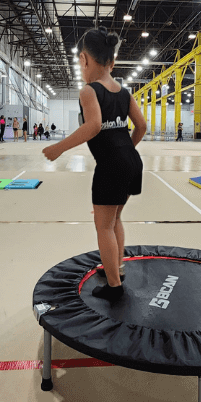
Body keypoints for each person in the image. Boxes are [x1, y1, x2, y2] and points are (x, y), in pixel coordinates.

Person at [42, 27, 148, 301]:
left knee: (103, 226)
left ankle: (114, 287)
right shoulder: (124, 93)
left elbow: (93, 126)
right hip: (131, 162)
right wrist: (126, 151)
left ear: (84, 59)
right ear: (111, 62)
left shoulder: (89, 91)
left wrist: (58, 148)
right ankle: (118, 269)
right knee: (114, 220)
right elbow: (142, 125)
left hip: (112, 166)